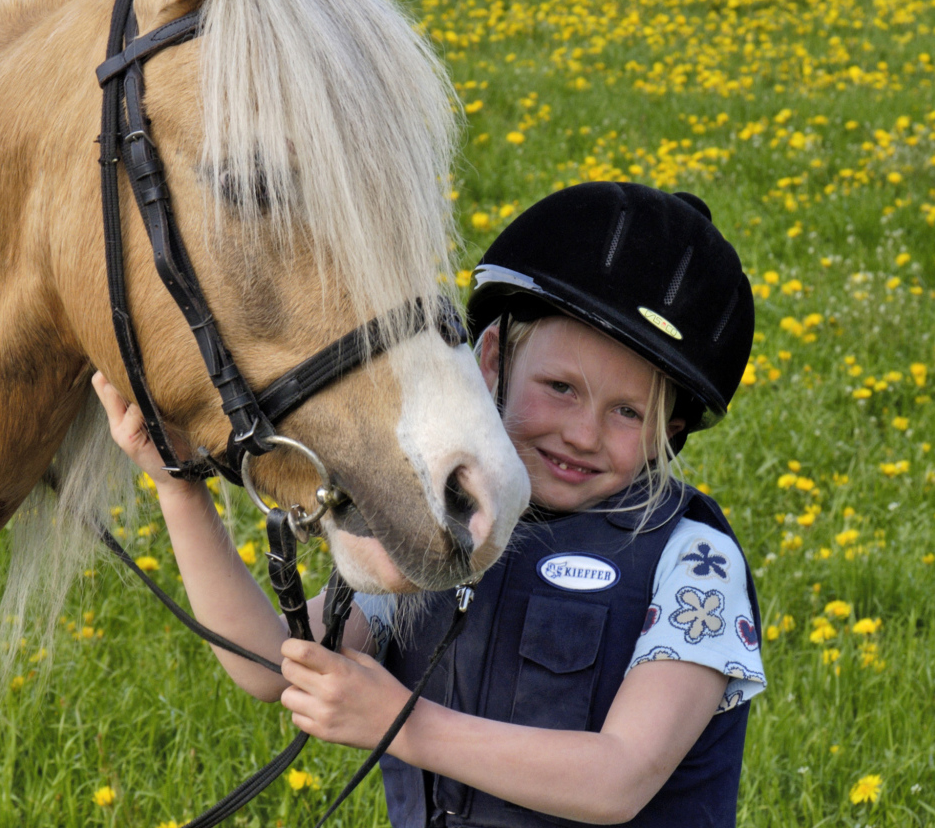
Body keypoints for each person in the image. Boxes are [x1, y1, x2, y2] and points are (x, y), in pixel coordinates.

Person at [93, 181, 763, 827]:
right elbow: (272, 663)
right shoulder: (446, 519)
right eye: (560, 387)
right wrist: (178, 489)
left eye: (627, 413)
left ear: (669, 433)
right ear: (492, 358)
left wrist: (403, 723)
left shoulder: (694, 560)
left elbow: (621, 777)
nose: (583, 434)